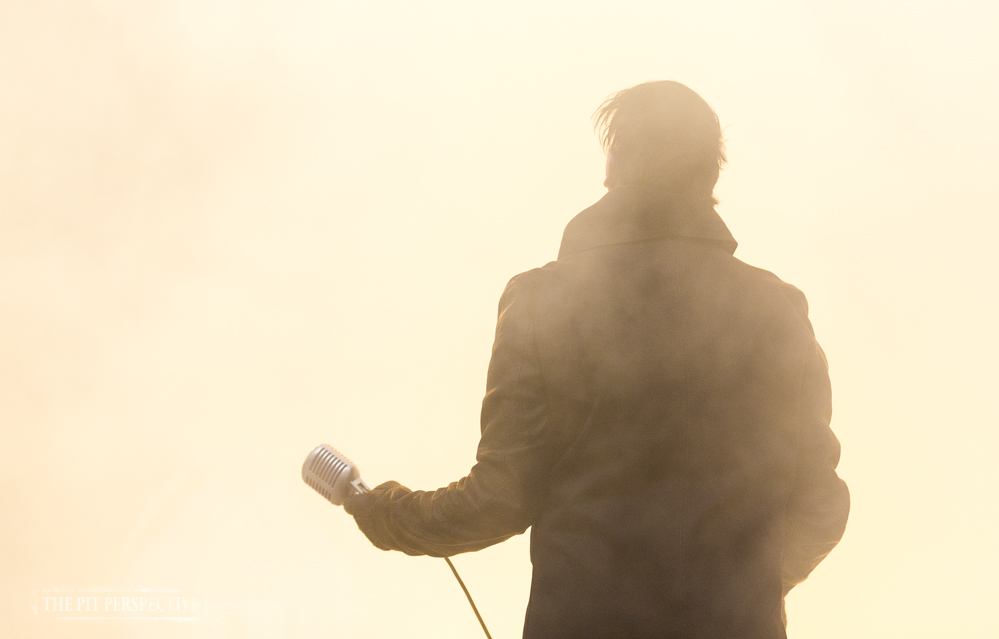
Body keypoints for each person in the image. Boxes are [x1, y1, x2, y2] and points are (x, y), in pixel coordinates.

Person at [344, 80, 850, 639]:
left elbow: (500, 498)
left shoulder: (541, 301)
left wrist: (379, 509)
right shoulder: (776, 308)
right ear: (711, 178)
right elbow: (821, 502)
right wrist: (741, 588)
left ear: (614, 167)